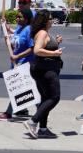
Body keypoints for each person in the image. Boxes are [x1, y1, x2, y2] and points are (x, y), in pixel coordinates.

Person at [26, 10, 64, 139]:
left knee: (45, 98)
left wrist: (56, 43)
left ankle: (43, 128)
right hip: (46, 70)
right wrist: (55, 54)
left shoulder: (43, 33)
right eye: (50, 18)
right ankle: (33, 121)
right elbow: (37, 50)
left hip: (43, 69)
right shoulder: (42, 33)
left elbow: (45, 47)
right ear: (44, 20)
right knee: (54, 97)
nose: (52, 20)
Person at [0, 8, 35, 121]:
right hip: (16, 64)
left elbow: (32, 48)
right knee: (25, 90)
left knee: (18, 89)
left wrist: (18, 56)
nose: (17, 19)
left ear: (27, 19)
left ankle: (9, 112)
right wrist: (7, 39)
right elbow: (13, 46)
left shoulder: (29, 30)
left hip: (25, 65)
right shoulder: (18, 30)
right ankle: (41, 111)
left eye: (20, 17)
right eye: (17, 16)